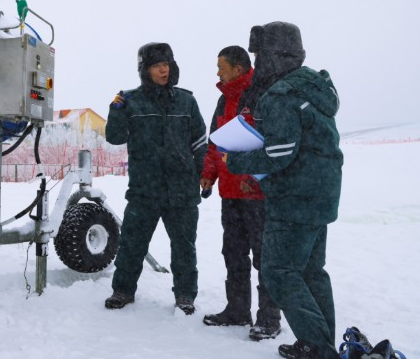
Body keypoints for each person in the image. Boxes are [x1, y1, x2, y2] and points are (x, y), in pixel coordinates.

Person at [224, 22, 343, 359]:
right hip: (320, 193)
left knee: (278, 271)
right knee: (310, 270)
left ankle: (318, 346)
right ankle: (320, 343)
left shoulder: (281, 94)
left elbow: (279, 152)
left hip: (293, 197)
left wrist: (235, 159)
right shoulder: (314, 87)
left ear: (275, 55)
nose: (258, 62)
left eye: (260, 55)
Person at [104, 42, 207, 315]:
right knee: (132, 243)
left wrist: (201, 174)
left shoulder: (187, 101)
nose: (164, 70)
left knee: (184, 247)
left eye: (167, 64)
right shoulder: (132, 101)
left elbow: (199, 143)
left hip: (182, 190)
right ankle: (123, 290)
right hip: (144, 190)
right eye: (157, 65)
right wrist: (115, 111)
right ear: (144, 69)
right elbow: (115, 138)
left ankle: (185, 295)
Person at [200, 45, 282, 340]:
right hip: (230, 193)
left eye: (221, 66)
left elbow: (271, 144)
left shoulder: (262, 95)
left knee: (264, 258)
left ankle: (269, 319)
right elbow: (215, 143)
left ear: (238, 68)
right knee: (233, 254)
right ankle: (237, 311)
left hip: (257, 193)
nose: (218, 72)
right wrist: (209, 174)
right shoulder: (223, 101)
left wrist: (254, 177)